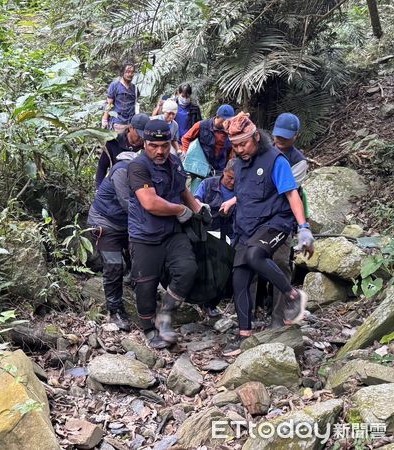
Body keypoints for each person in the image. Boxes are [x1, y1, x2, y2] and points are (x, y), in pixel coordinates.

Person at [220, 112, 314, 354]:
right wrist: (233, 201)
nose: (239, 149)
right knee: (239, 279)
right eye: (235, 146)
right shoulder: (240, 163)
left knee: (255, 256)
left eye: (243, 144)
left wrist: (304, 228)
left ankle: (292, 297)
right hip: (246, 225)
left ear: (256, 138)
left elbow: (291, 193)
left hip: (275, 222)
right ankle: (244, 336)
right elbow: (249, 190)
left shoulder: (276, 160)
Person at [127, 120, 208, 349]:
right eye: (154, 145)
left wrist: (197, 208)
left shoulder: (173, 162)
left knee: (187, 269)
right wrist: (180, 210)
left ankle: (166, 314)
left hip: (172, 232)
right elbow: (150, 203)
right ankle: (148, 328)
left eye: (164, 145)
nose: (160, 150)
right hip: (145, 235)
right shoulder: (138, 167)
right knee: (145, 285)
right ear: (145, 143)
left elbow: (182, 190)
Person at [88, 150, 142, 331]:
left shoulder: (139, 172)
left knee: (140, 256)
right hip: (104, 222)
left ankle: (135, 284)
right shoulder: (121, 171)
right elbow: (126, 202)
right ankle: (115, 309)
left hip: (125, 224)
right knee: (113, 266)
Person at [270, 112, 308, 328]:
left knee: (281, 263)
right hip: (256, 216)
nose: (280, 140)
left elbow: (286, 190)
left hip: (282, 219)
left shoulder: (298, 161)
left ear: (295, 136)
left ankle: (278, 316)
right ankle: (247, 316)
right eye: (277, 136)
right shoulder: (264, 149)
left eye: (285, 137)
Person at [194, 158, 236, 317]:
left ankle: (212, 303)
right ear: (224, 172)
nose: (232, 182)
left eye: (235, 180)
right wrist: (200, 206)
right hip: (208, 231)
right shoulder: (209, 184)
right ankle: (201, 299)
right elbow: (196, 199)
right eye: (229, 178)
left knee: (224, 269)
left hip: (230, 233)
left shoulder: (241, 189)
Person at [95, 113, 149, 189]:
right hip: (118, 183)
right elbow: (102, 166)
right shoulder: (114, 142)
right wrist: (99, 188)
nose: (141, 138)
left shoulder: (147, 146)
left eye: (144, 136)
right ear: (131, 128)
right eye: (139, 134)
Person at [181, 104, 235, 173]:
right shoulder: (202, 125)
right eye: (224, 120)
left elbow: (231, 152)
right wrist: (187, 154)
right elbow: (186, 138)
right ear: (217, 116)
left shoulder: (231, 131)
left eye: (229, 120)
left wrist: (229, 168)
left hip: (220, 168)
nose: (226, 123)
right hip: (201, 167)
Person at [102, 62, 139, 133]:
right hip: (118, 122)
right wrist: (105, 119)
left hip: (131, 124)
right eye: (127, 72)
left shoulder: (135, 88)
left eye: (132, 72)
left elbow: (135, 103)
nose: (130, 74)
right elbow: (109, 103)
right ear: (123, 72)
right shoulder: (115, 86)